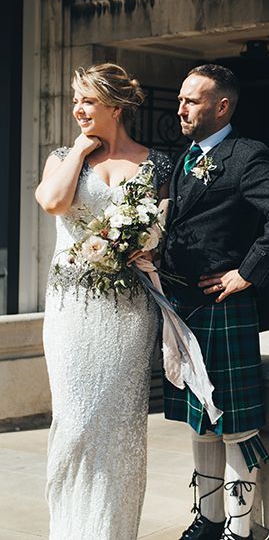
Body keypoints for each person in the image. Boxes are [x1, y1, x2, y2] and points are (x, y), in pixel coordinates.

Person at [162, 64, 269, 540]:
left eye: (192, 101)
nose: (180, 108)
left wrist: (247, 272)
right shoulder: (184, 160)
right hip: (184, 306)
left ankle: (239, 531)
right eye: (181, 99)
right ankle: (209, 519)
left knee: (234, 424)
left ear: (221, 106)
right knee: (199, 419)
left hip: (223, 306)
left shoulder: (246, 156)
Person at [35, 63, 172, 539]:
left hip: (129, 311)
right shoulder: (61, 155)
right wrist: (78, 151)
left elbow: (166, 233)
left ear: (115, 105)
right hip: (71, 309)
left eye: (88, 100)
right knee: (75, 419)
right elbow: (53, 202)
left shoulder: (155, 163)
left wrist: (149, 246)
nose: (78, 108)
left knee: (119, 424)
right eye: (75, 99)